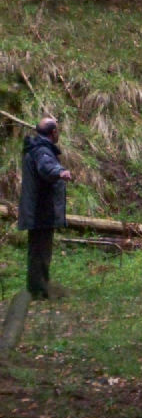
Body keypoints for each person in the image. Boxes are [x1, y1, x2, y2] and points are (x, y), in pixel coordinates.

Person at [17, 117, 73, 300]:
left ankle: (40, 287)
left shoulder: (35, 148)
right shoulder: (42, 151)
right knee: (40, 251)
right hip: (40, 210)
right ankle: (38, 291)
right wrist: (60, 172)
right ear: (53, 132)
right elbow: (46, 168)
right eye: (57, 130)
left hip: (37, 209)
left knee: (38, 251)